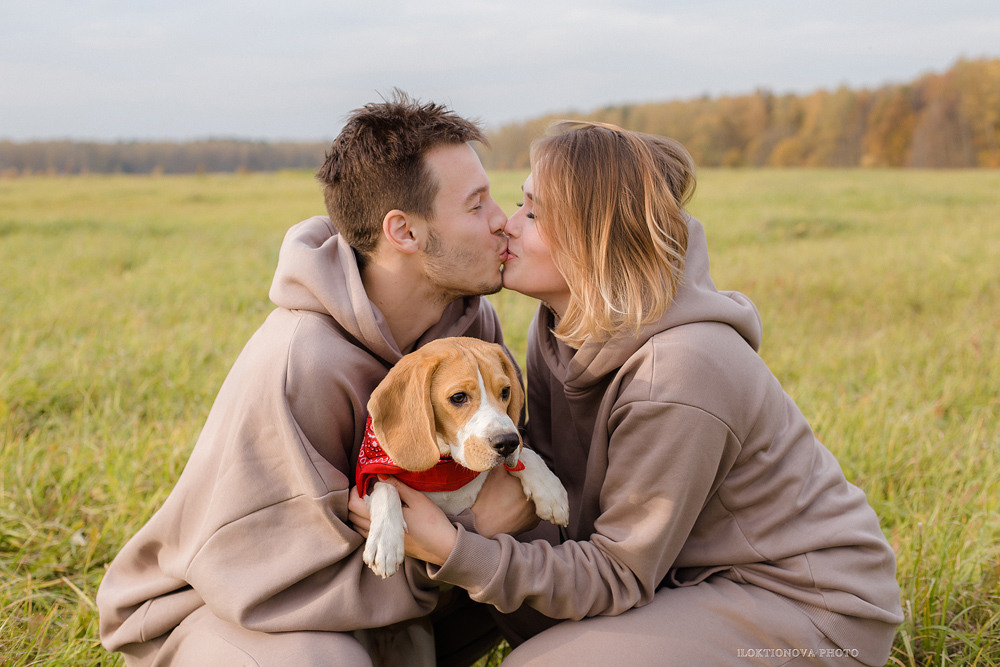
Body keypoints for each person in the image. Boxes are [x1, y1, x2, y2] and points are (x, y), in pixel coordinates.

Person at [349, 121, 904, 665]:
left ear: (595, 240)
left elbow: (619, 572)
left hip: (802, 609)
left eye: (533, 213)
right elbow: (561, 507)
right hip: (680, 585)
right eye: (521, 204)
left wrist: (455, 549)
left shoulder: (680, 373)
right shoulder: (558, 330)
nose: (507, 225)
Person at [96, 91, 532, 666]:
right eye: (476, 206)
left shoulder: (471, 328)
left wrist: (466, 546)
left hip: (384, 598)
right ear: (403, 232)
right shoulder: (299, 361)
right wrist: (468, 536)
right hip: (230, 607)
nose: (502, 220)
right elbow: (266, 581)